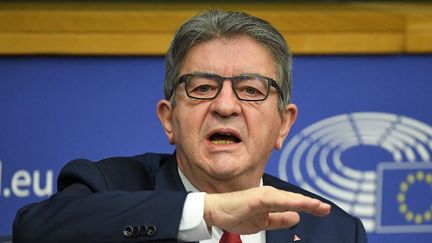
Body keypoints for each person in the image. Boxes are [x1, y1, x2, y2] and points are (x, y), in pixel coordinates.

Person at [13, 9, 367, 243]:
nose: (225, 106)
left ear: (283, 125)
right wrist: (205, 212)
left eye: (250, 89)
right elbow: (34, 231)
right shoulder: (107, 186)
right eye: (201, 88)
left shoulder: (334, 230)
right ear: (169, 118)